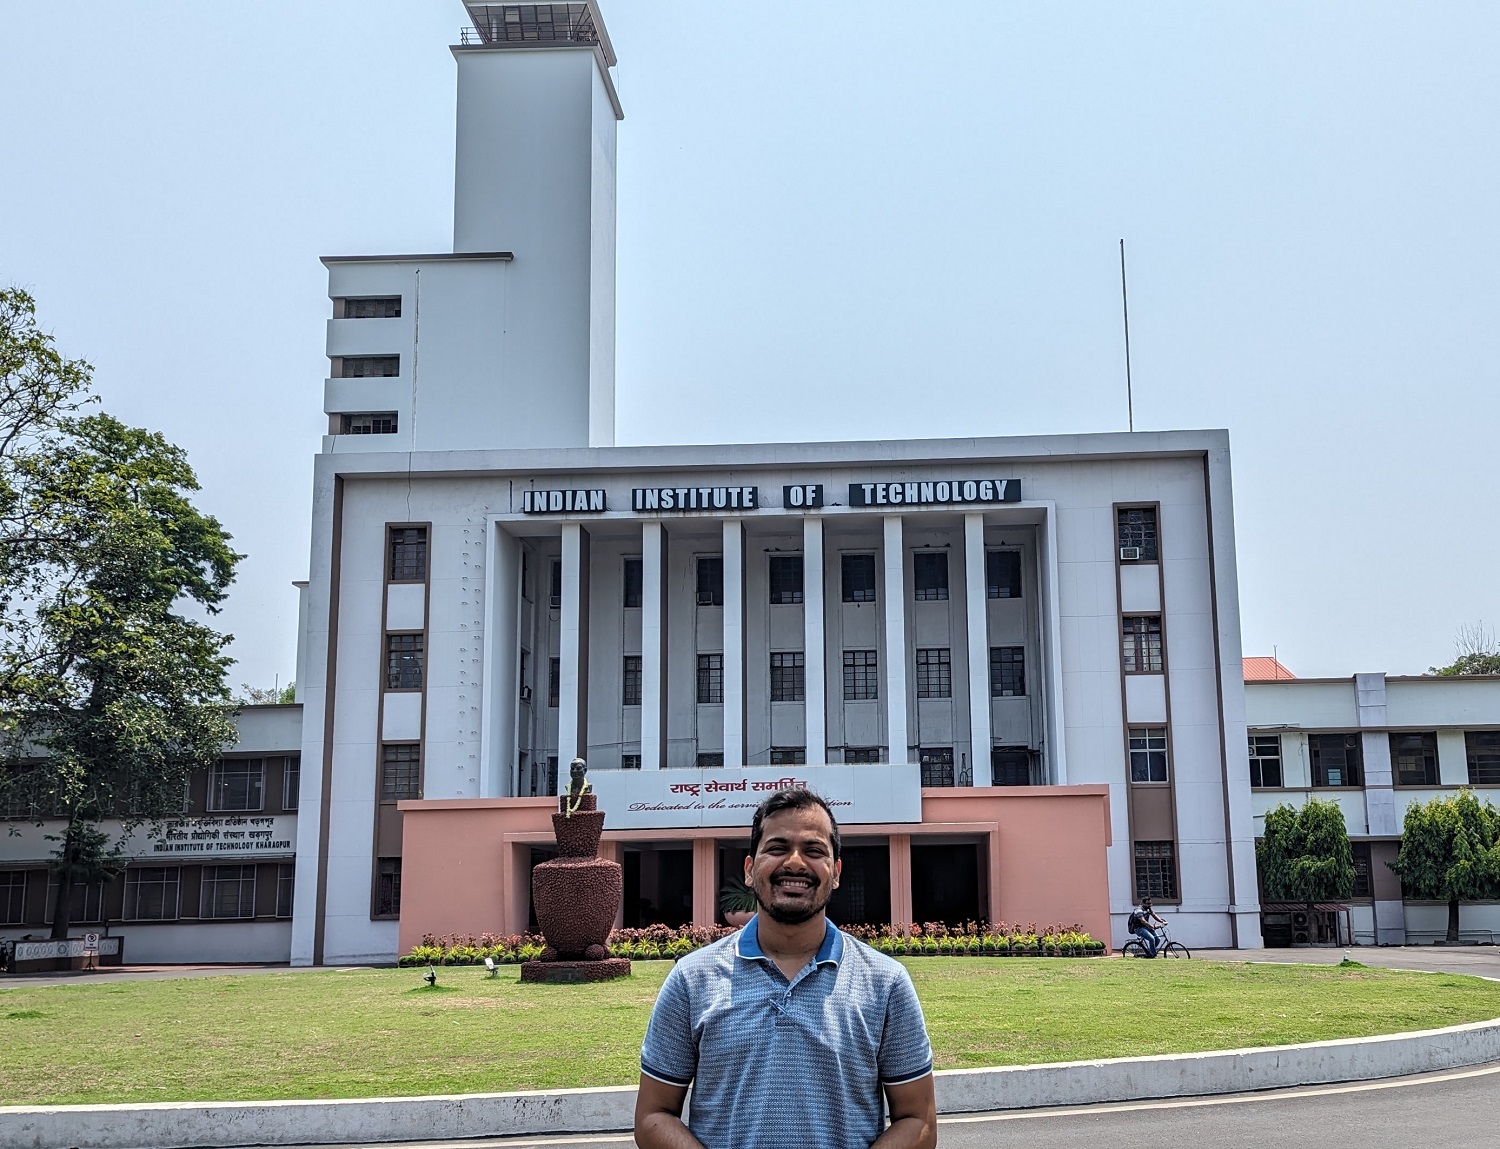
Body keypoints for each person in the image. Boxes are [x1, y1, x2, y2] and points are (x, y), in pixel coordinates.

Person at [635, 788, 938, 1149]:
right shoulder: (691, 979)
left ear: (836, 872)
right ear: (750, 869)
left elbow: (918, 1121)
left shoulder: (886, 983)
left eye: (814, 851)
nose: (795, 863)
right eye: (777, 848)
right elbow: (653, 1116)